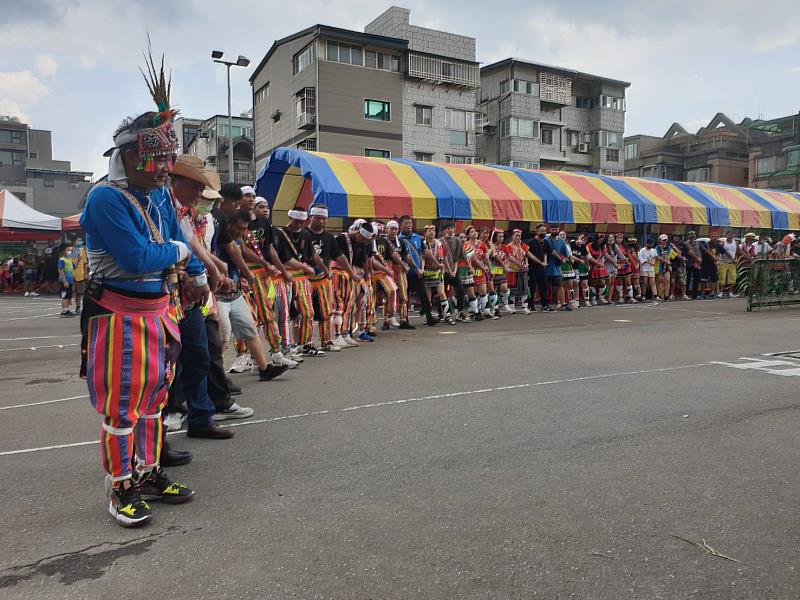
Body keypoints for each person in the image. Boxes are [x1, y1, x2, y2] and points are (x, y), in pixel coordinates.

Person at [79, 71, 196, 527]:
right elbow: (136, 257)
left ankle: (147, 472)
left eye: (168, 158)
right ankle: (120, 485)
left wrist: (193, 267)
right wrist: (182, 255)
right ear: (129, 157)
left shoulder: (159, 195)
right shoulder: (105, 198)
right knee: (122, 406)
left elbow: (169, 240)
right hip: (117, 315)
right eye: (157, 159)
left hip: (157, 312)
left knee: (154, 401)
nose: (166, 168)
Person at [306, 204, 362, 349]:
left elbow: (340, 256)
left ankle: (326, 342)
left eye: (324, 218)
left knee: (326, 312)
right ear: (311, 217)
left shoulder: (329, 237)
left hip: (324, 279)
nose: (322, 221)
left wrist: (351, 273)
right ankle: (304, 344)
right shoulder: (304, 234)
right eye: (318, 218)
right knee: (305, 313)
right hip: (303, 278)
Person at [399, 215, 438, 327]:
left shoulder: (418, 238)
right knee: (405, 297)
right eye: (406, 223)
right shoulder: (399, 240)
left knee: (424, 296)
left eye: (410, 223)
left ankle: (429, 318)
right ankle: (404, 321)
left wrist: (437, 263)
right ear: (401, 225)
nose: (408, 225)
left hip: (418, 273)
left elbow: (425, 252)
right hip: (405, 273)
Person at [439, 222, 472, 321]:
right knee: (441, 292)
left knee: (461, 290)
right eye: (448, 228)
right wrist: (449, 270)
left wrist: (467, 267)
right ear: (445, 230)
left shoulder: (457, 241)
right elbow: (442, 258)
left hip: (454, 270)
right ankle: (442, 313)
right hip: (443, 271)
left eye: (452, 228)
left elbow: (460, 257)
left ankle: (460, 312)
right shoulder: (440, 241)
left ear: (454, 229)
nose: (450, 230)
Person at [385, 220, 414, 329]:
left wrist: (415, 267)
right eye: (391, 228)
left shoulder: (400, 242)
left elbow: (406, 256)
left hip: (400, 270)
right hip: (388, 270)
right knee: (388, 295)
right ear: (387, 229)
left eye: (396, 229)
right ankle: (387, 321)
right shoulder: (383, 241)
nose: (393, 231)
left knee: (403, 296)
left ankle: (403, 320)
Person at [422, 225, 452, 324]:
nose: (432, 232)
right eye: (430, 231)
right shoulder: (424, 244)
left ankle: (447, 316)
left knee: (442, 293)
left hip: (437, 272)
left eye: (434, 230)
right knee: (428, 297)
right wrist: (421, 269)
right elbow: (422, 258)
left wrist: (448, 269)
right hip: (427, 273)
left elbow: (443, 258)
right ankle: (429, 317)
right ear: (425, 233)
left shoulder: (439, 244)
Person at [544, 227, 571, 311]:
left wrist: (569, 259)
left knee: (560, 286)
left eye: (556, 229)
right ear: (550, 230)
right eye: (553, 229)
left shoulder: (562, 241)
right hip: (547, 267)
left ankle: (563, 304)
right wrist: (561, 259)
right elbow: (551, 252)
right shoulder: (546, 240)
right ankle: (545, 304)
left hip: (557, 268)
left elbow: (567, 254)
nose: (554, 231)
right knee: (545, 287)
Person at [526, 224, 549, 312]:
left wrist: (545, 263)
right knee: (532, 287)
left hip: (542, 268)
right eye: (541, 231)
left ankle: (545, 305)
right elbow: (528, 254)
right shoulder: (531, 242)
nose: (543, 232)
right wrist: (540, 262)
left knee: (544, 286)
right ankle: (531, 305)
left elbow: (546, 253)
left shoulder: (545, 242)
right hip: (533, 268)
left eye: (544, 231)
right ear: (537, 231)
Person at [586, 235, 610, 305]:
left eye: (602, 240)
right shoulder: (589, 246)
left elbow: (606, 255)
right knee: (593, 283)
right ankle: (593, 299)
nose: (601, 241)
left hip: (600, 267)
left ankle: (601, 298)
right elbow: (588, 257)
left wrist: (614, 263)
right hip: (592, 266)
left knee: (602, 282)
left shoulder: (603, 247)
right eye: (600, 240)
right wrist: (596, 263)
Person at [718, 231, 739, 298]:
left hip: (732, 263)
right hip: (723, 262)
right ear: (726, 235)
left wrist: (736, 259)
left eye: (732, 235)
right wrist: (717, 260)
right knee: (722, 278)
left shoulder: (736, 243)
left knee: (732, 278)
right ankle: (721, 292)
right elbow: (718, 252)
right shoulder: (723, 243)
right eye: (729, 235)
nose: (731, 236)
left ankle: (730, 292)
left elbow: (738, 251)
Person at [655, 234, 675, 301]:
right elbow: (657, 257)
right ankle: (659, 295)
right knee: (659, 281)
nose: (664, 241)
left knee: (667, 281)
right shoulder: (657, 248)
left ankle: (666, 296)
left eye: (665, 240)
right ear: (660, 240)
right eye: (663, 240)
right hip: (659, 266)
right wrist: (665, 261)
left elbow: (675, 255)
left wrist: (681, 256)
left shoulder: (669, 248)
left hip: (666, 267)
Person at [58, 243, 76, 317]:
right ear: (63, 251)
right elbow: (61, 271)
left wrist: (77, 261)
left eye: (70, 250)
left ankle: (66, 309)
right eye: (68, 250)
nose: (70, 252)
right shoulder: (62, 260)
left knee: (68, 296)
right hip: (64, 281)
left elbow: (74, 267)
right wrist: (64, 281)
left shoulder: (70, 259)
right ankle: (64, 311)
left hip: (70, 280)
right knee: (64, 296)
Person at [670, 233, 689, 301]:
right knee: (672, 281)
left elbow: (686, 253)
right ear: (672, 237)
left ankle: (683, 295)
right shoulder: (670, 245)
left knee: (683, 281)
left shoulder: (683, 245)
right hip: (673, 265)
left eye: (678, 236)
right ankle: (672, 295)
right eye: (675, 236)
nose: (676, 238)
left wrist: (684, 257)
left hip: (681, 265)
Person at [684, 231, 702, 300]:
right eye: (691, 237)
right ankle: (686, 294)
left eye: (693, 236)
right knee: (687, 279)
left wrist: (700, 259)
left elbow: (702, 250)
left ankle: (695, 295)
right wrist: (697, 258)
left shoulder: (698, 243)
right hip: (689, 263)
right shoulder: (686, 243)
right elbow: (690, 252)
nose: (692, 238)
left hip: (697, 264)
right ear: (688, 237)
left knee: (696, 279)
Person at [72, 238, 89, 312]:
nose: (79, 242)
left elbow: (85, 263)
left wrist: (85, 273)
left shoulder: (82, 250)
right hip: (72, 274)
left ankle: (78, 306)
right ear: (73, 242)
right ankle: (66, 307)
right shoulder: (71, 250)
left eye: (80, 241)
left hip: (80, 274)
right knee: (73, 291)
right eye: (78, 240)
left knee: (80, 292)